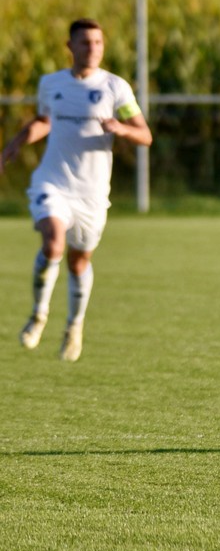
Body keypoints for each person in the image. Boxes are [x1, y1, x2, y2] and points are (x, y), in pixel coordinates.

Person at [0, 18, 153, 361]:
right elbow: (44, 120)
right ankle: (39, 316)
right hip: (52, 182)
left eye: (98, 42)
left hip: (92, 194)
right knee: (53, 241)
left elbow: (145, 135)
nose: (92, 48)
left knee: (78, 261)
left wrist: (121, 129)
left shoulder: (115, 88)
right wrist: (11, 148)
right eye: (85, 42)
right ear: (70, 46)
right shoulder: (52, 84)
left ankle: (74, 326)